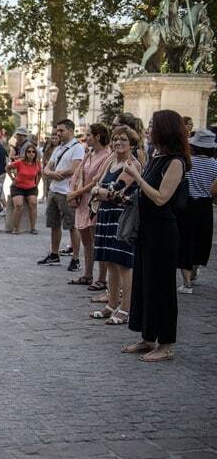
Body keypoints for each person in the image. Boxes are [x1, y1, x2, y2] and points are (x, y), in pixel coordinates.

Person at [122, 109, 189, 362]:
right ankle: (147, 337)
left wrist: (137, 177)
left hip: (163, 232)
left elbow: (161, 198)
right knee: (145, 283)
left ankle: (166, 344)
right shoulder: (156, 156)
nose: (148, 128)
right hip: (147, 229)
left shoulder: (176, 161)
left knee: (162, 287)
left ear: (165, 129)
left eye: (152, 124)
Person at [89, 126, 141, 325]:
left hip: (122, 217)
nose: (119, 142)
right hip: (106, 213)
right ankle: (111, 304)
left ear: (132, 143)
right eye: (116, 139)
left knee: (123, 264)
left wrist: (98, 190)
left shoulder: (132, 163)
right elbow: (99, 183)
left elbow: (114, 190)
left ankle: (126, 309)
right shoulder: (112, 160)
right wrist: (99, 189)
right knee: (109, 262)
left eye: (124, 140)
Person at [67, 124, 111, 287]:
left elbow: (96, 182)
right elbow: (78, 173)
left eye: (89, 135)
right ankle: (87, 274)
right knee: (86, 240)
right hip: (82, 201)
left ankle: (101, 278)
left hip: (94, 201)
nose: (86, 138)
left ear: (98, 136)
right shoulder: (89, 153)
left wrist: (76, 193)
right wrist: (72, 192)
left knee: (97, 239)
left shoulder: (107, 156)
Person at [38, 120, 84, 270]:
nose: (58, 133)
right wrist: (52, 173)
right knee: (54, 224)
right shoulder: (58, 148)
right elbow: (46, 169)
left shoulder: (77, 148)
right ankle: (54, 254)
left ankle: (75, 258)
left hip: (67, 192)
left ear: (70, 130)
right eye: (57, 130)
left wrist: (57, 173)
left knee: (72, 226)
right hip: (54, 190)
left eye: (61, 130)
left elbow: (74, 169)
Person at [176, 128, 217, 293]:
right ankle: (193, 270)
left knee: (185, 241)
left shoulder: (187, 162)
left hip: (186, 206)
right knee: (201, 240)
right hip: (205, 206)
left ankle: (186, 282)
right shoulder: (215, 165)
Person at [6, 143, 41, 234]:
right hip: (18, 187)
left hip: (31, 187)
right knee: (18, 205)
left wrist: (36, 183)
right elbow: (7, 168)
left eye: (33, 152)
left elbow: (40, 173)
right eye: (29, 151)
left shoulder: (37, 164)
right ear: (26, 153)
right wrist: (12, 178)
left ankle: (33, 228)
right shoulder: (19, 162)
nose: (31, 153)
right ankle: (15, 228)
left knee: (33, 203)